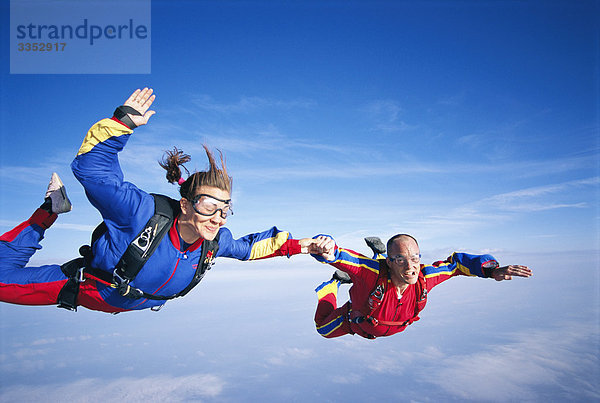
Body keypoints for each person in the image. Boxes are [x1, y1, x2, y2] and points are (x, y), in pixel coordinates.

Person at [0, 88, 315, 313]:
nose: (218, 217)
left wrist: (306, 245)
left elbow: (251, 248)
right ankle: (48, 211)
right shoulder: (140, 213)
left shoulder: (215, 241)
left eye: (225, 208)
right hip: (90, 291)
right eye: (209, 206)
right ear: (185, 204)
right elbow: (92, 172)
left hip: (135, 300)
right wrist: (121, 123)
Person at [306, 234, 532, 339]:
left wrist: (492, 271)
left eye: (415, 258)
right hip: (353, 320)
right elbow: (344, 256)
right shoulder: (371, 273)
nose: (412, 266)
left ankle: (383, 253)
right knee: (322, 329)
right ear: (391, 262)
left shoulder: (423, 276)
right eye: (401, 259)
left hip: (385, 314)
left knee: (392, 268)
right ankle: (333, 284)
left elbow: (455, 264)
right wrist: (327, 248)